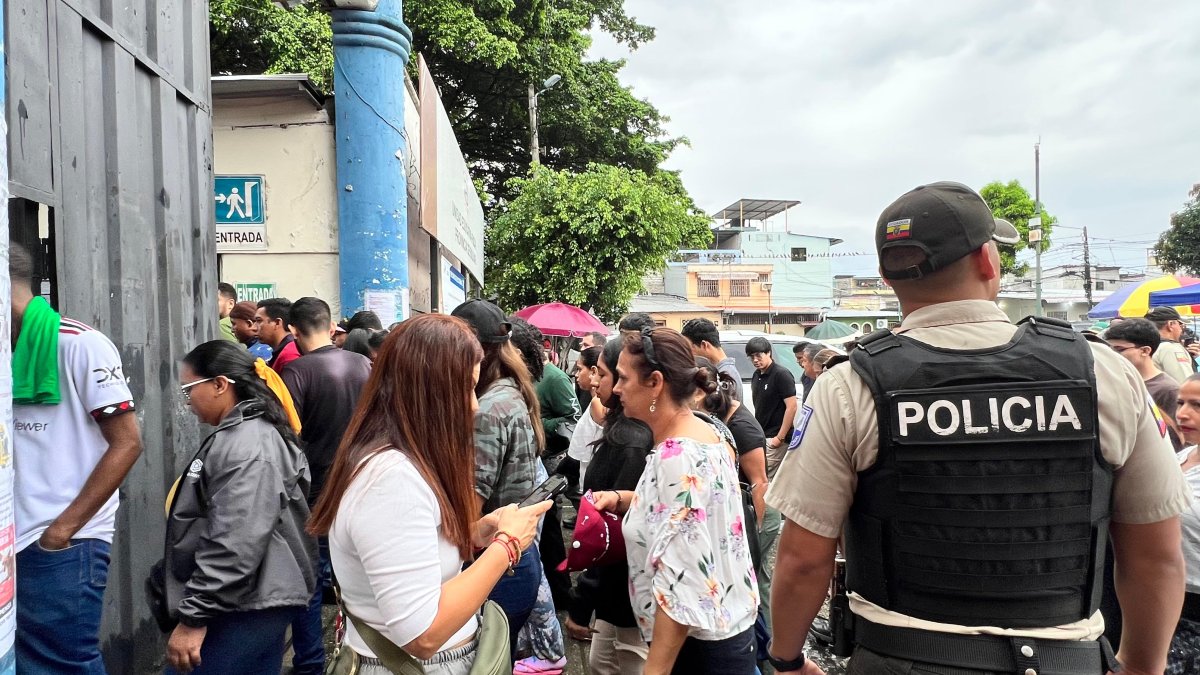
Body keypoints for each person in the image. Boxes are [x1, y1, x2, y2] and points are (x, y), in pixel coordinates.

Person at [766, 180, 1190, 675]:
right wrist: (1142, 666)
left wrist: (787, 660)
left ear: (885, 276)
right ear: (989, 260)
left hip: (900, 659)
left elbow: (801, 560)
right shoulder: (1103, 372)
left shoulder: (849, 385)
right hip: (1066, 660)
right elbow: (1156, 555)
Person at [308, 315, 552, 675]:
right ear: (429, 394)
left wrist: (476, 532)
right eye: (466, 389)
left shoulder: (397, 463)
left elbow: (407, 552)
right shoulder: (391, 481)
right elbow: (422, 634)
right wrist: (507, 545)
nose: (473, 406)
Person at [10, 242, 144, 673]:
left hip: (60, 542)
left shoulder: (79, 344)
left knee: (62, 664)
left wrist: (60, 532)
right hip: (12, 538)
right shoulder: (3, 350)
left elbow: (127, 443)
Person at [593, 327, 759, 674]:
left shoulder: (676, 456)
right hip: (727, 633)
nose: (617, 389)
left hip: (696, 651)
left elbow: (681, 588)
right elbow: (691, 513)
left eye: (622, 378)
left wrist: (655, 669)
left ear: (655, 382)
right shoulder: (704, 433)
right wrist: (625, 500)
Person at [162, 340, 315, 674]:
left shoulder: (247, 444)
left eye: (188, 391)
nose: (187, 404)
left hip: (242, 604)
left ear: (219, 384)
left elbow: (236, 540)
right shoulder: (248, 434)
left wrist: (194, 617)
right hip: (252, 598)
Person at [280, 296, 373, 675]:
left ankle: (311, 665)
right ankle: (364, 655)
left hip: (316, 493)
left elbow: (286, 439)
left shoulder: (295, 374)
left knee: (310, 581)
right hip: (364, 485)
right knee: (360, 575)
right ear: (331, 323)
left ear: (292, 330)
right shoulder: (365, 364)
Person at [451, 300, 546, 656]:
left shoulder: (487, 410)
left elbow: (468, 510)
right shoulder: (509, 390)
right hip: (514, 558)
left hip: (497, 566)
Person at [566, 338, 653, 674]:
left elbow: (612, 536)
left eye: (604, 374)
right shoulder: (620, 428)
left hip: (625, 592)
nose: (595, 382)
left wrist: (582, 600)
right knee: (601, 661)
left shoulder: (630, 441)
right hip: (614, 594)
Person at [1106, 318, 1183, 450]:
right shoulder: (1114, 382)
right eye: (1109, 349)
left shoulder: (1168, 390)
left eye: (1119, 349)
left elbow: (1181, 439)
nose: (1113, 355)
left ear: (1145, 351)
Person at [1168, 375, 1200, 673]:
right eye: (1180, 403)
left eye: (1197, 406)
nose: (1182, 413)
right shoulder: (1181, 457)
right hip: (1168, 604)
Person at [746, 337, 797, 478]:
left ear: (768, 353)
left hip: (776, 438)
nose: (755, 360)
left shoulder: (781, 374)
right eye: (752, 357)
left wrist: (779, 438)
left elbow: (791, 407)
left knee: (766, 479)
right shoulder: (757, 375)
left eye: (758, 355)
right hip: (762, 436)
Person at [568, 346, 605, 482]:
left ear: (593, 371)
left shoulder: (598, 403)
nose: (576, 375)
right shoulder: (592, 399)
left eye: (579, 369)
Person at [682, 318, 743, 402]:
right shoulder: (722, 370)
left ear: (704, 345)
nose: (689, 353)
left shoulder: (726, 376)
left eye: (689, 348)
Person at [1146, 306, 1196, 384]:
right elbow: (1186, 384)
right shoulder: (1170, 348)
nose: (1181, 329)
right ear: (1171, 324)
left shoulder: (1143, 348)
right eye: (1180, 324)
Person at [254, 298, 300, 373]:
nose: (254, 327)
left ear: (277, 323)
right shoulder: (287, 349)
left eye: (259, 321)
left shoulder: (289, 355)